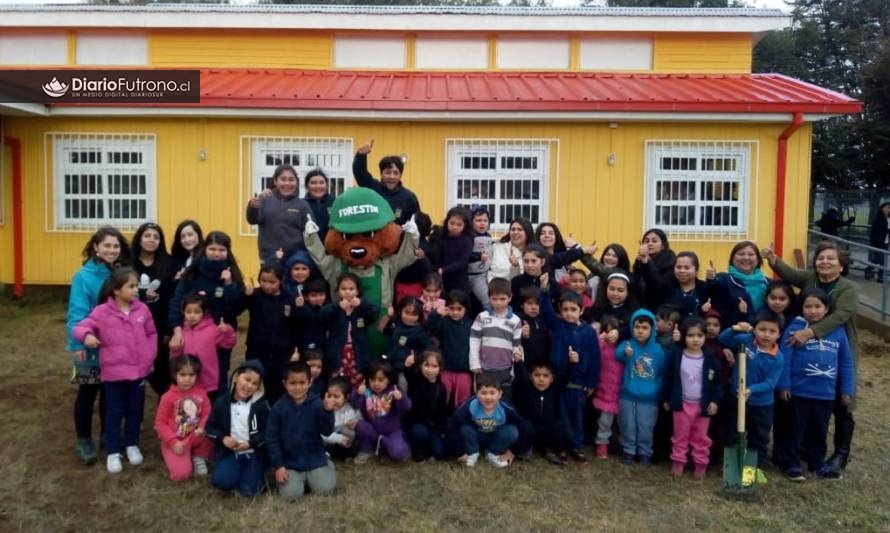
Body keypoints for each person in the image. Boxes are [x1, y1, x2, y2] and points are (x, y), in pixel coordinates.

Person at [763, 240, 860, 475]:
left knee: (840, 402)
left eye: (831, 259)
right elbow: (792, 274)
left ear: (841, 265)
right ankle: (797, 453)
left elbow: (841, 315)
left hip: (837, 344)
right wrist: (773, 259)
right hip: (803, 351)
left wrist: (811, 332)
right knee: (803, 406)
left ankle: (840, 454)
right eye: (820, 258)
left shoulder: (848, 288)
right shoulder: (811, 279)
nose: (824, 262)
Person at [73, 267, 156, 474]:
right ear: (116, 290)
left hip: (139, 372)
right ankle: (113, 450)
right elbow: (81, 326)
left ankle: (132, 444)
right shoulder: (101, 312)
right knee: (114, 411)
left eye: (137, 285)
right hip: (114, 374)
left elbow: (151, 333)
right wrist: (87, 336)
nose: (137, 290)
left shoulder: (142, 310)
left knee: (135, 409)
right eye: (132, 286)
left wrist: (149, 354)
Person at [66, 226, 130, 465]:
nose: (112, 250)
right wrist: (78, 343)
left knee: (109, 394)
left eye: (116, 246)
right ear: (96, 247)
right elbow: (77, 313)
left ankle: (107, 435)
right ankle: (84, 440)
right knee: (87, 393)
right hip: (89, 347)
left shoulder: (120, 274)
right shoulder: (82, 277)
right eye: (107, 245)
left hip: (114, 347)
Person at [777, 288, 854, 481]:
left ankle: (817, 463)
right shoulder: (795, 328)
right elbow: (784, 358)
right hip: (799, 391)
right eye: (808, 306)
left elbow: (846, 362)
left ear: (826, 309)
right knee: (795, 429)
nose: (813, 311)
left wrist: (846, 389)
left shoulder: (837, 332)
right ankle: (792, 464)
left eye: (818, 306)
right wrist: (784, 385)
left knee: (819, 430)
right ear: (801, 308)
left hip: (825, 394)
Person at [168, 231, 245, 393]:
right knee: (189, 374)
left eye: (221, 250)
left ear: (227, 252)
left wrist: (229, 284)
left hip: (220, 335)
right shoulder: (192, 273)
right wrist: (177, 331)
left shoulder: (232, 274)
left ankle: (216, 413)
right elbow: (176, 302)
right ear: (205, 249)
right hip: (192, 335)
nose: (216, 253)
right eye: (212, 249)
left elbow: (236, 308)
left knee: (218, 378)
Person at [538, 272, 600, 462]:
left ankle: (577, 446)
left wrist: (591, 382)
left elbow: (595, 359)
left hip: (579, 384)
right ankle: (562, 447)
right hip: (559, 381)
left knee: (577, 418)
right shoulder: (557, 325)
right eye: (565, 309)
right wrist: (544, 289)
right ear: (560, 310)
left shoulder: (588, 332)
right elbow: (546, 310)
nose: (569, 313)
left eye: (573, 309)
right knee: (560, 417)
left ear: (581, 311)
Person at [718, 310, 785, 469]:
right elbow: (723, 339)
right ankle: (732, 467)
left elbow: (770, 383)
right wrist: (735, 329)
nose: (766, 334)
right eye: (762, 329)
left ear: (779, 334)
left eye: (772, 331)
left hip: (761, 404)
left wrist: (750, 389)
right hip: (736, 398)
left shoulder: (778, 358)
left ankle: (754, 468)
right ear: (754, 329)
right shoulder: (745, 340)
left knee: (759, 437)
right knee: (732, 433)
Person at [267, 361, 337, 501]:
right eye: (292, 383)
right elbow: (271, 438)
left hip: (314, 459)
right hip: (290, 463)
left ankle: (327, 466)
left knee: (325, 489)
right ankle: (297, 481)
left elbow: (327, 431)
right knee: (290, 496)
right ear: (285, 383)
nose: (297, 387)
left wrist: (328, 412)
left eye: (302, 382)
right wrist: (279, 466)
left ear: (310, 382)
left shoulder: (317, 404)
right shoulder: (279, 408)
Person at [666, 317, 723, 479]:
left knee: (701, 437)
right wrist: (667, 399)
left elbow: (718, 383)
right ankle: (678, 462)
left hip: (702, 406)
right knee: (680, 436)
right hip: (681, 405)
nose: (695, 339)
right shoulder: (677, 356)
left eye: (699, 335)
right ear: (684, 337)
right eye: (691, 335)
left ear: (705, 337)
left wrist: (714, 401)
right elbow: (668, 379)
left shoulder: (710, 358)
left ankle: (700, 464)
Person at [206, 360, 271, 497]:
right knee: (221, 481)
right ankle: (234, 471)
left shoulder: (261, 406)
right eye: (247, 379)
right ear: (236, 377)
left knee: (250, 491)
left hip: (254, 452)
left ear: (259, 388)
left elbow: (268, 432)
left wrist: (251, 443)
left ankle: (254, 474)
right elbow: (210, 428)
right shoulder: (221, 402)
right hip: (231, 452)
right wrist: (223, 439)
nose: (249, 386)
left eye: (254, 384)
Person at [616, 309, 670, 466]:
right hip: (628, 395)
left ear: (652, 329)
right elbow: (617, 354)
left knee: (646, 427)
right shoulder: (628, 345)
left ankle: (645, 452)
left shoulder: (658, 350)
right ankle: (629, 451)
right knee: (628, 425)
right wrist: (625, 353)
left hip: (649, 398)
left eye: (645, 327)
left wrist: (656, 389)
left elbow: (662, 372)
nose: (640, 331)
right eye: (637, 327)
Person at [240, 266, 297, 405]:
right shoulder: (254, 295)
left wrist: (296, 350)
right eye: (263, 281)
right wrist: (245, 296)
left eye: (272, 282)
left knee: (278, 388)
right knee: (255, 385)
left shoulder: (289, 298)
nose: (266, 285)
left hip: (282, 352)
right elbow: (236, 308)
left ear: (281, 281)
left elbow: (297, 326)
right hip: (257, 350)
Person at [154, 355, 213, 482]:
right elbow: (160, 423)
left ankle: (199, 455)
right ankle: (173, 452)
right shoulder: (167, 397)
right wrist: (172, 442)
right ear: (175, 375)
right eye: (183, 374)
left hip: (196, 436)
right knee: (181, 475)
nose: (187, 379)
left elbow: (207, 414)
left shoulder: (202, 394)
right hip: (177, 440)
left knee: (211, 434)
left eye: (191, 375)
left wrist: (202, 427)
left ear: (197, 375)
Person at [132, 222, 175, 396]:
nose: (152, 240)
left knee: (161, 374)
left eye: (156, 237)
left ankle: (164, 416)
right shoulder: (129, 262)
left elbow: (171, 298)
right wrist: (142, 296)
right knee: (135, 374)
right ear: (139, 238)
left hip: (158, 326)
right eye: (147, 235)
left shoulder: (168, 263)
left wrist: (168, 330)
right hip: (133, 326)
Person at [446, 372, 523, 468]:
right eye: (483, 393)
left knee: (512, 431)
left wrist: (513, 451)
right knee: (464, 428)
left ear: (499, 394)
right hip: (477, 435)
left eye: (492, 393)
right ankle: (473, 452)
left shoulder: (506, 409)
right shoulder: (469, 406)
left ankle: (493, 453)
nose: (488, 397)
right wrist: (459, 452)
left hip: (495, 436)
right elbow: (452, 425)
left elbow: (524, 427)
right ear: (476, 393)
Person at [170, 294, 237, 402]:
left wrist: (227, 330)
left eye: (197, 312)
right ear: (183, 313)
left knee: (207, 410)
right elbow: (175, 359)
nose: (192, 316)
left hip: (208, 383)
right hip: (188, 382)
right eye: (189, 312)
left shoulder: (213, 330)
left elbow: (229, 343)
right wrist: (175, 348)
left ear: (204, 313)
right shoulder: (181, 333)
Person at [321, 273, 379, 390]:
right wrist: (337, 306)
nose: (347, 292)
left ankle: (357, 404)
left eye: (351, 289)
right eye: (343, 289)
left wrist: (362, 303)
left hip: (357, 352)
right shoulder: (335, 307)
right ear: (338, 291)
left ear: (357, 291)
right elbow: (322, 317)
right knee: (337, 384)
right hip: (338, 353)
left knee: (358, 383)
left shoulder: (360, 308)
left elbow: (374, 312)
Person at [469, 278, 524, 401]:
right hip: (484, 368)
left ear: (510, 298)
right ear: (489, 298)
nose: (498, 303)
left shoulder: (515, 320)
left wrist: (514, 370)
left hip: (505, 369)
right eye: (494, 299)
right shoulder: (482, 317)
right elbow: (474, 340)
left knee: (504, 400)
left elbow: (517, 345)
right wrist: (474, 362)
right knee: (484, 399)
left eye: (502, 299)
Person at [512, 356, 573, 466]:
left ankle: (550, 450)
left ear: (552, 379)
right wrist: (518, 362)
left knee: (563, 429)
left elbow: (564, 376)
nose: (541, 379)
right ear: (530, 377)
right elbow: (521, 377)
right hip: (532, 430)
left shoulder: (554, 390)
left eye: (545, 376)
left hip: (548, 430)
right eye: (537, 375)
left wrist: (570, 362)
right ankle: (526, 449)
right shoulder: (527, 389)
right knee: (525, 426)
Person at [246, 163, 312, 263]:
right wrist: (252, 207)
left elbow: (311, 233)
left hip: (296, 261)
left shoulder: (303, 205)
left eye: (291, 179)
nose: (287, 183)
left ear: (296, 182)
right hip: (269, 259)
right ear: (275, 181)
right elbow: (252, 220)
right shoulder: (264, 200)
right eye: (283, 179)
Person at [351, 361, 412, 464]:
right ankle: (367, 449)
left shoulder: (393, 392)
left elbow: (407, 407)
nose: (376, 383)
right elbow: (355, 404)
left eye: (380, 380)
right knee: (361, 426)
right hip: (373, 431)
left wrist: (401, 398)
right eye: (372, 379)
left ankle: (384, 443)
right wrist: (357, 394)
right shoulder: (366, 392)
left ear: (388, 379)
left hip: (392, 431)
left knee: (398, 453)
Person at [352, 139, 420, 225]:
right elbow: (360, 174)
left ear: (400, 175)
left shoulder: (409, 197)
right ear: (381, 174)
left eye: (396, 173)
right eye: (388, 172)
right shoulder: (373, 189)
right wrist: (361, 156)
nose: (392, 176)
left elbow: (417, 224)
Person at [426, 290, 474, 408]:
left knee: (464, 400)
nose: (455, 312)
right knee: (442, 398)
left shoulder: (471, 325)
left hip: (464, 371)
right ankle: (442, 421)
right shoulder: (444, 322)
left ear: (465, 309)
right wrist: (436, 314)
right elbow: (431, 328)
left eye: (459, 309)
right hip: (446, 369)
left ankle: (461, 422)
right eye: (452, 308)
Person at [404, 348, 451, 461]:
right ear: (420, 366)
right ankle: (417, 450)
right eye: (427, 365)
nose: (430, 370)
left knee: (440, 453)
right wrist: (407, 366)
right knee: (419, 432)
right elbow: (409, 374)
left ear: (440, 368)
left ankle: (430, 446)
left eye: (434, 366)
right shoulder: (416, 380)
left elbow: (442, 410)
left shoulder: (441, 388)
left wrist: (440, 429)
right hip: (418, 423)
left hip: (433, 427)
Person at [378, 296, 433, 391]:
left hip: (405, 370)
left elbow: (429, 349)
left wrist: (415, 357)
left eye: (414, 314)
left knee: (402, 393)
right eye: (406, 313)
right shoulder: (396, 322)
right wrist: (388, 316)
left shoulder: (420, 331)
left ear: (419, 315)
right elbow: (381, 329)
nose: (409, 317)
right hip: (388, 365)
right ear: (400, 311)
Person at [705, 241, 765, 325]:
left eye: (751, 254)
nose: (746, 258)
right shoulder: (724, 278)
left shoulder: (767, 283)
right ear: (732, 258)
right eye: (741, 254)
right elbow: (712, 287)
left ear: (758, 259)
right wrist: (711, 279)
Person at [593, 317, 623, 460]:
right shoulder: (600, 345)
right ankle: (601, 443)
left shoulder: (622, 347)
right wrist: (599, 341)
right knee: (605, 421)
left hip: (621, 389)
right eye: (607, 330)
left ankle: (619, 445)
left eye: (614, 331)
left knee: (622, 421)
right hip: (605, 388)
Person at [432, 206, 474, 294]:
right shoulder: (441, 236)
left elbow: (463, 262)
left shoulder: (467, 240)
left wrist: (444, 270)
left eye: (459, 225)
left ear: (465, 226)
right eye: (452, 223)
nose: (454, 227)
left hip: (459, 281)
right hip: (442, 280)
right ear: (447, 222)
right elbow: (436, 255)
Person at [631, 228, 676, 310]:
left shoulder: (670, 260)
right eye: (647, 241)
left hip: (661, 309)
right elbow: (634, 285)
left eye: (654, 241)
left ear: (663, 245)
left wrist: (647, 262)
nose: (650, 244)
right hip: (640, 307)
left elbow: (659, 286)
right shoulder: (640, 260)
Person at [590, 271, 637, 341]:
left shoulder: (633, 311)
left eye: (620, 290)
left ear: (627, 293)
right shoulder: (598, 307)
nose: (615, 293)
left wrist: (619, 332)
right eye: (611, 289)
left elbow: (633, 328)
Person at [321, 377, 361, 458]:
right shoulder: (322, 409)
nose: (332, 400)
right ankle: (323, 453)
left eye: (336, 397)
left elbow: (358, 416)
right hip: (324, 439)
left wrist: (356, 422)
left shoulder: (349, 410)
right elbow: (321, 433)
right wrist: (338, 438)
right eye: (329, 396)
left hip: (339, 438)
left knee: (351, 434)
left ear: (346, 398)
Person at [488, 217, 535, 282]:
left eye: (520, 229)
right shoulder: (497, 247)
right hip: (493, 288)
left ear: (528, 232)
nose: (515, 232)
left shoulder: (534, 253)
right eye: (513, 229)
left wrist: (516, 267)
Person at [516, 285, 550, 372]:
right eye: (529, 303)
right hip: (525, 367)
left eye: (537, 303)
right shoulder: (518, 321)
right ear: (522, 305)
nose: (534, 307)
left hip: (542, 366)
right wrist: (524, 337)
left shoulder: (544, 320)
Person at [293, 277, 329, 355]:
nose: (318, 298)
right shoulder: (301, 310)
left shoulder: (327, 309)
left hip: (323, 349)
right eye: (313, 295)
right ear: (306, 297)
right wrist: (300, 307)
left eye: (321, 294)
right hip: (306, 350)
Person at [467, 207, 493, 308]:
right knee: (487, 300)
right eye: (478, 220)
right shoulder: (469, 237)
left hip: (486, 273)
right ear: (471, 222)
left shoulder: (488, 236)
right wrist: (478, 256)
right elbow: (465, 255)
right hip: (474, 275)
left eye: (485, 220)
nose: (482, 223)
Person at [510, 244, 548, 310]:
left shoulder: (551, 282)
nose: (529, 265)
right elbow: (511, 306)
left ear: (542, 262)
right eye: (526, 261)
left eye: (534, 261)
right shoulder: (515, 282)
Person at [303, 168, 336, 241]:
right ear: (307, 186)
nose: (318, 186)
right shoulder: (302, 204)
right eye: (313, 183)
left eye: (321, 183)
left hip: (332, 248)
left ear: (327, 185)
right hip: (308, 248)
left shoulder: (336, 202)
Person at [866, 202, 890, 281]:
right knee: (881, 260)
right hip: (878, 242)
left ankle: (870, 270)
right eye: (887, 207)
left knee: (880, 260)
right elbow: (882, 230)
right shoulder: (878, 219)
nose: (888, 209)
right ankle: (879, 276)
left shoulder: (888, 219)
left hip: (885, 242)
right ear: (882, 208)